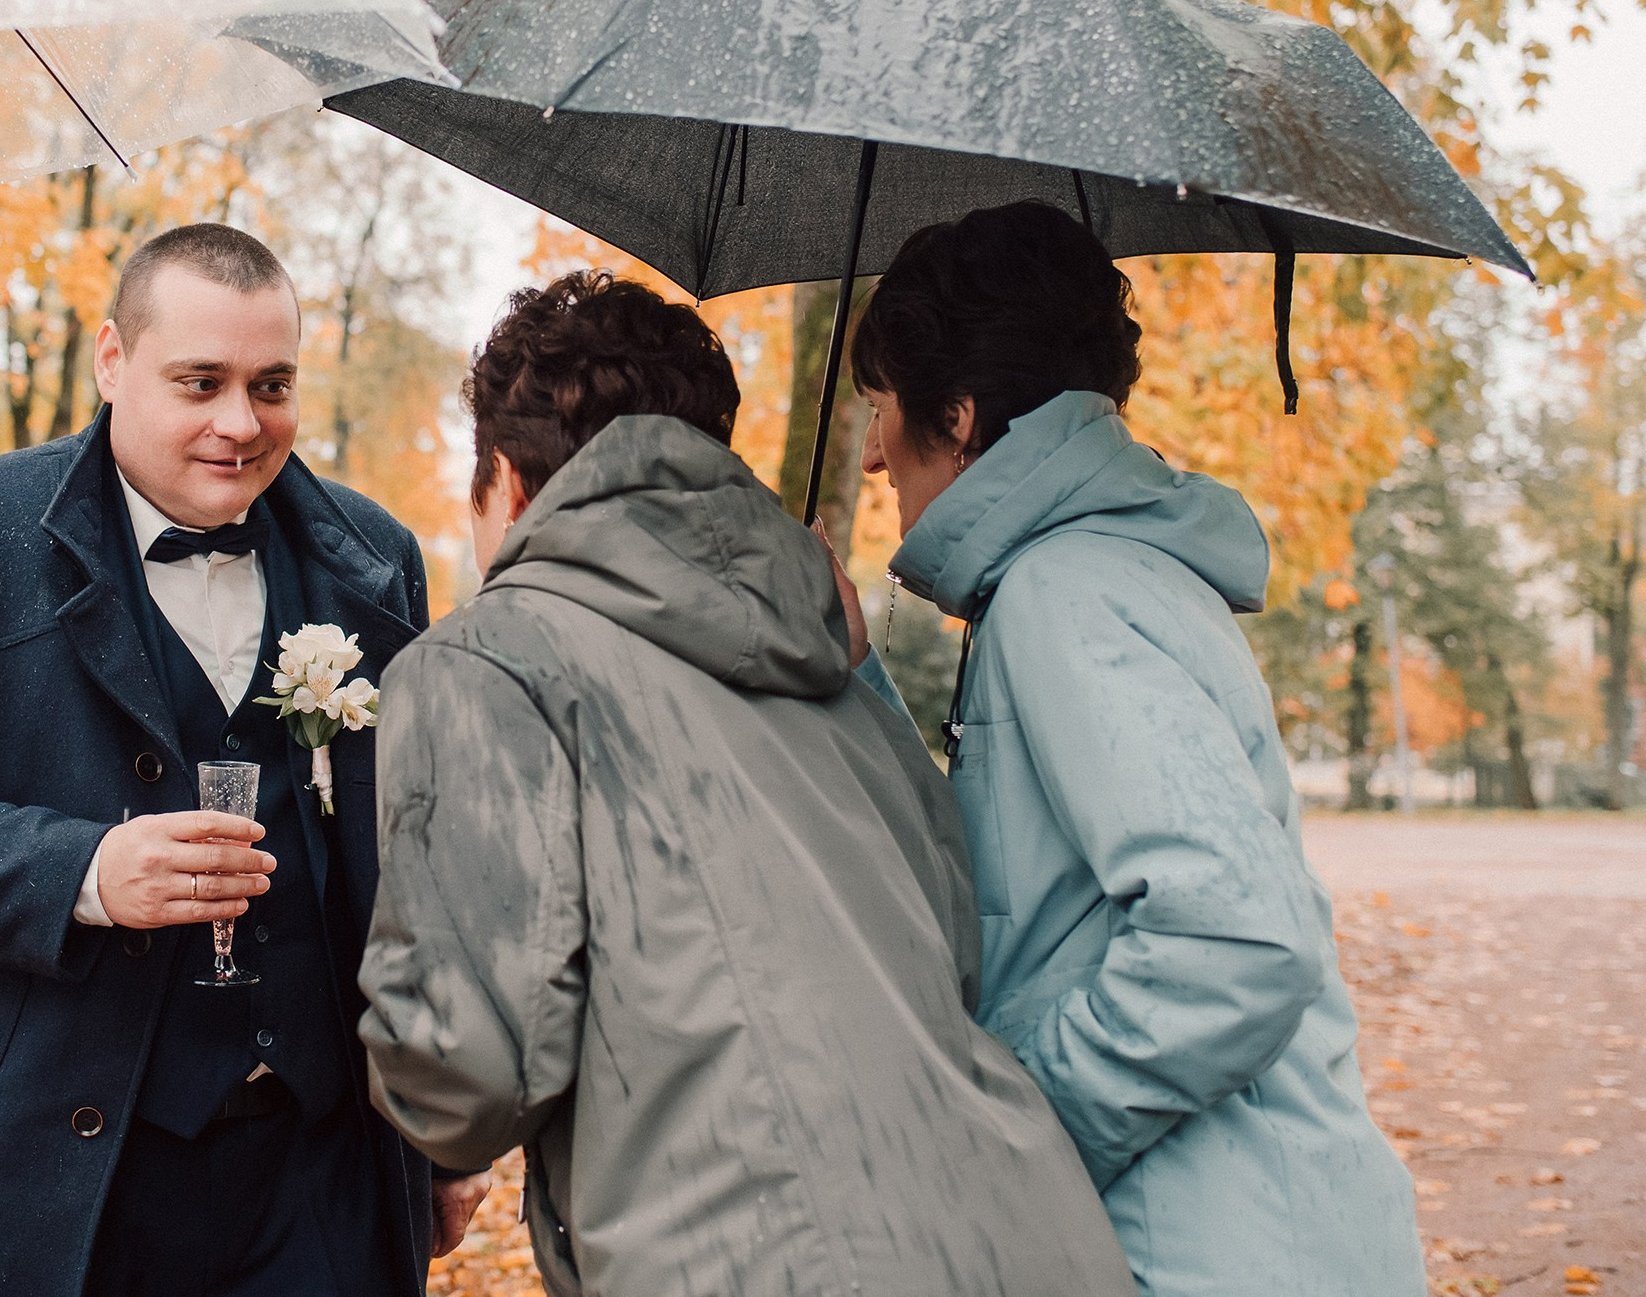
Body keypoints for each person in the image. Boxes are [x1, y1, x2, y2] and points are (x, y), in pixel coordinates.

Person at [355, 271, 1136, 1297]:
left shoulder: (486, 659)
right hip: (1025, 1235)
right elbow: (952, 938)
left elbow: (467, 1071)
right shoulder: (828, 654)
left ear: (502, 477)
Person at [0, 223, 482, 1297]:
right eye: (200, 381)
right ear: (112, 360)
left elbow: (409, 871)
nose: (240, 423)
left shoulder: (376, 560)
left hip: (317, 1178)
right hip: (48, 1181)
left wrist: (429, 1129)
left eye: (271, 383)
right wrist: (84, 874)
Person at [851, 200, 1424, 1294]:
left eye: (879, 406)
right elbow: (1034, 899)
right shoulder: (1098, 573)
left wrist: (1020, 1131)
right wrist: (857, 678)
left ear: (959, 416)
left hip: (1207, 1254)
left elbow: (1238, 941)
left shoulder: (1068, 591)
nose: (874, 454)